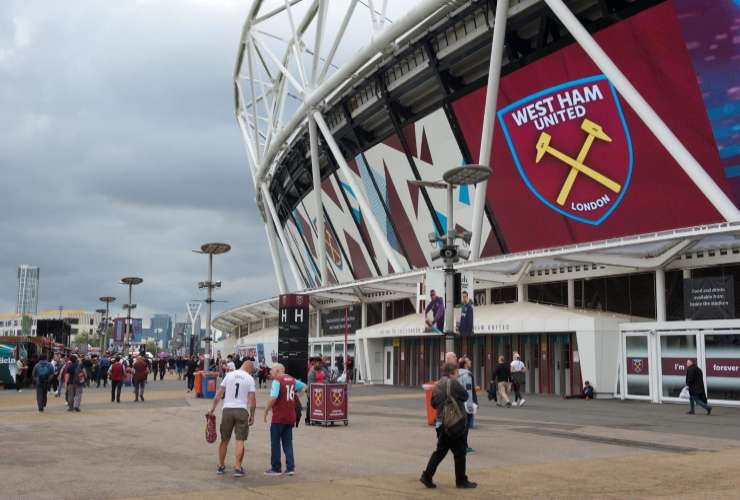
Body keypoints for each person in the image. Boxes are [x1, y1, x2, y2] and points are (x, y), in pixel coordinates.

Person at [420, 362, 477, 489]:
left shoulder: (437, 385)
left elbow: (433, 404)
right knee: (460, 452)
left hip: (441, 423)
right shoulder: (453, 383)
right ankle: (461, 481)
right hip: (454, 422)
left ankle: (427, 476)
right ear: (452, 373)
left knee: (440, 451)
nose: (457, 375)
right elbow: (465, 396)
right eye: (456, 373)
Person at [206, 360, 257, 478]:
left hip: (227, 410)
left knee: (224, 440)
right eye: (251, 370)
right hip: (241, 410)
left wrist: (212, 409)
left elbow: (219, 394)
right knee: (240, 440)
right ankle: (238, 468)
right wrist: (252, 415)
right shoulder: (249, 379)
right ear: (249, 368)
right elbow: (252, 400)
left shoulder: (229, 375)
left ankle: (220, 466)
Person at [263, 363, 306, 476]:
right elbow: (304, 387)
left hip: (279, 417)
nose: (270, 372)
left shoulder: (277, 381)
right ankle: (290, 467)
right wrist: (296, 396)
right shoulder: (292, 380)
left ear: (278, 370)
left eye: (272, 370)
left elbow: (274, 397)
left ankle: (276, 468)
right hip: (290, 416)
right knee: (288, 443)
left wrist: (266, 410)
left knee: (275, 442)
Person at [457, 357, 476, 453]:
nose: (471, 362)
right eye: (469, 361)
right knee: (466, 426)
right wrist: (470, 406)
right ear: (465, 364)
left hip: (457, 402)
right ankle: (464, 446)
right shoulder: (467, 375)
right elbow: (468, 391)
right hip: (465, 403)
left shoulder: (456, 374)